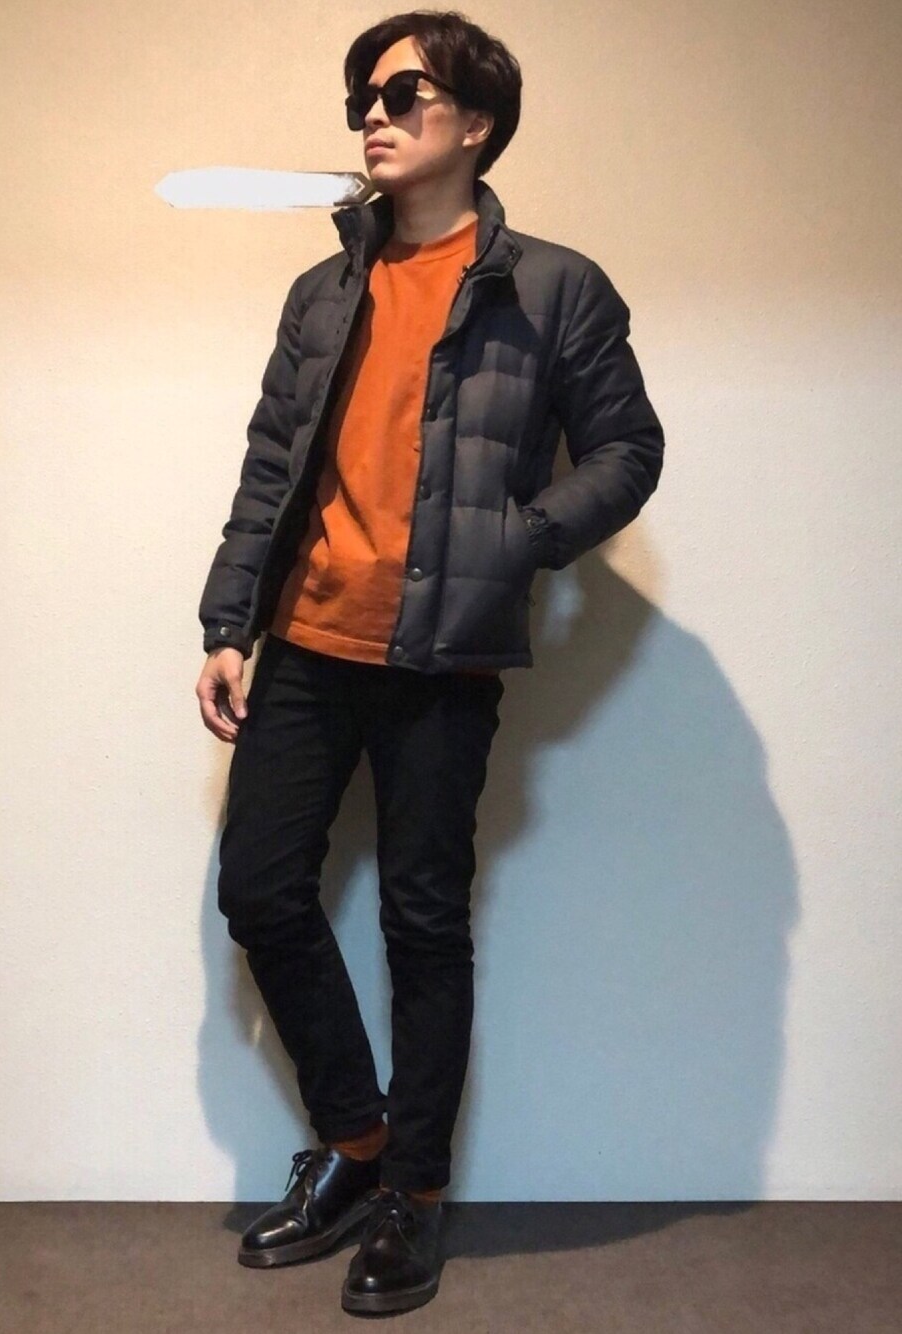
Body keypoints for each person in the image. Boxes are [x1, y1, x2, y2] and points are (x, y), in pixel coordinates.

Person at [194, 8, 664, 1316]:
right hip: (307, 639)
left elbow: (626, 450)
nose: (373, 115)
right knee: (262, 890)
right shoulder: (324, 289)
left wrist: (522, 540)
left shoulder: (552, 287)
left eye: (404, 95)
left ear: (478, 123)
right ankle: (356, 1142)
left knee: (422, 920)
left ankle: (416, 1191)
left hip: (443, 658)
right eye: (365, 95)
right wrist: (228, 621)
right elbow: (271, 467)